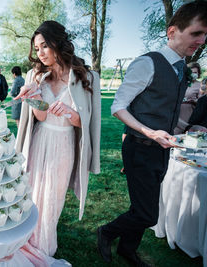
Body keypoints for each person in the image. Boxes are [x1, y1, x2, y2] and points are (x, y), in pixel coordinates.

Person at [98, 2, 207, 266]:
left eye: (205, 35)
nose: (202, 41)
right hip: (139, 147)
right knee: (148, 215)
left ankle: (127, 249)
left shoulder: (182, 67)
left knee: (141, 207)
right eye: (196, 33)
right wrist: (150, 131)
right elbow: (118, 106)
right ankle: (107, 232)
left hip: (162, 148)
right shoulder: (147, 63)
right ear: (172, 31)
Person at [14, 20, 101, 265]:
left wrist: (69, 113)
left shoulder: (87, 77)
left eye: (44, 46)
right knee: (29, 193)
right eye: (36, 48)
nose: (39, 53)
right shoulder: (37, 75)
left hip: (63, 146)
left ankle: (42, 247)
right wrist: (32, 99)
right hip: (39, 141)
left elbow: (88, 123)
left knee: (51, 197)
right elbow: (41, 116)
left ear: (57, 44)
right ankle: (23, 242)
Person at [174, 61, 202, 134]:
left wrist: (193, 101)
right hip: (177, 111)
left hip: (189, 112)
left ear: (199, 74)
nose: (193, 74)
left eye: (195, 72)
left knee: (186, 132)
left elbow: (201, 102)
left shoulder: (200, 85)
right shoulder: (181, 82)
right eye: (192, 72)